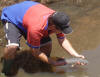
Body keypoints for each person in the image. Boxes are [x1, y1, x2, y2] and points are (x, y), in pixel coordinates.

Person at [0, 0, 85, 76]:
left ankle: (43, 64)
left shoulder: (57, 18)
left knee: (47, 45)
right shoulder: (36, 29)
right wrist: (52, 62)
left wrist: (75, 55)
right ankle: (6, 70)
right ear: (53, 27)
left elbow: (63, 40)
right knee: (12, 47)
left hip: (30, 15)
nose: (62, 32)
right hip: (12, 17)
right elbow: (35, 52)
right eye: (61, 30)